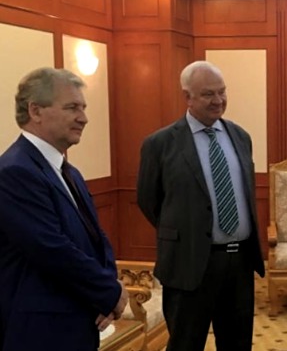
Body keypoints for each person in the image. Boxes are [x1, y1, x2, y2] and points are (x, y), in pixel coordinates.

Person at [137, 61, 265, 351]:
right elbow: (149, 201)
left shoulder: (241, 137)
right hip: (188, 263)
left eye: (222, 92)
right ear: (187, 97)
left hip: (239, 264)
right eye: (208, 94)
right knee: (185, 344)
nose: (218, 100)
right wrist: (188, 231)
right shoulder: (159, 144)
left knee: (237, 344)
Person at [0, 67, 127, 351]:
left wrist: (109, 289)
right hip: (41, 332)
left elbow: (96, 238)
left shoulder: (70, 172)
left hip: (79, 320)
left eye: (83, 108)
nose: (83, 117)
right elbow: (51, 249)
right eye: (72, 108)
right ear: (35, 111)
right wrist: (109, 293)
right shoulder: (15, 172)